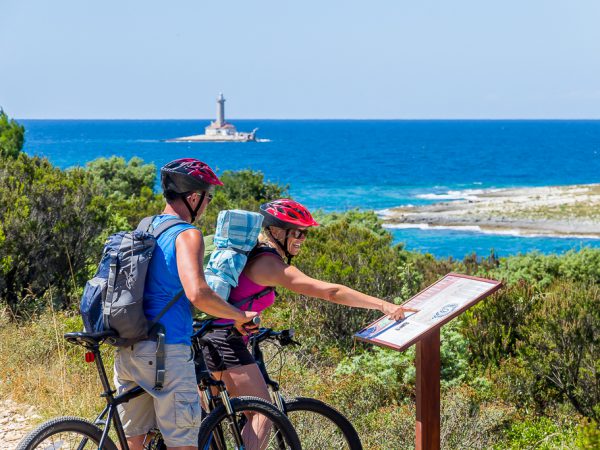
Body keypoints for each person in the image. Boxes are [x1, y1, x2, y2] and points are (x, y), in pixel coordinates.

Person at [201, 198, 416, 438]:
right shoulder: (269, 264)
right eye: (299, 233)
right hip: (224, 340)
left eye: (305, 234)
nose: (303, 239)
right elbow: (330, 292)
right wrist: (382, 304)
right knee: (263, 413)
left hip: (212, 335)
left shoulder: (255, 254)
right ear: (277, 231)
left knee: (213, 418)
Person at [113, 158, 258, 450]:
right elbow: (199, 294)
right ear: (193, 197)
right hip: (165, 352)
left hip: (129, 346)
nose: (207, 205)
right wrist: (238, 315)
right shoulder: (187, 235)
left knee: (134, 443)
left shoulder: (146, 226)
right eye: (207, 197)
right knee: (184, 443)